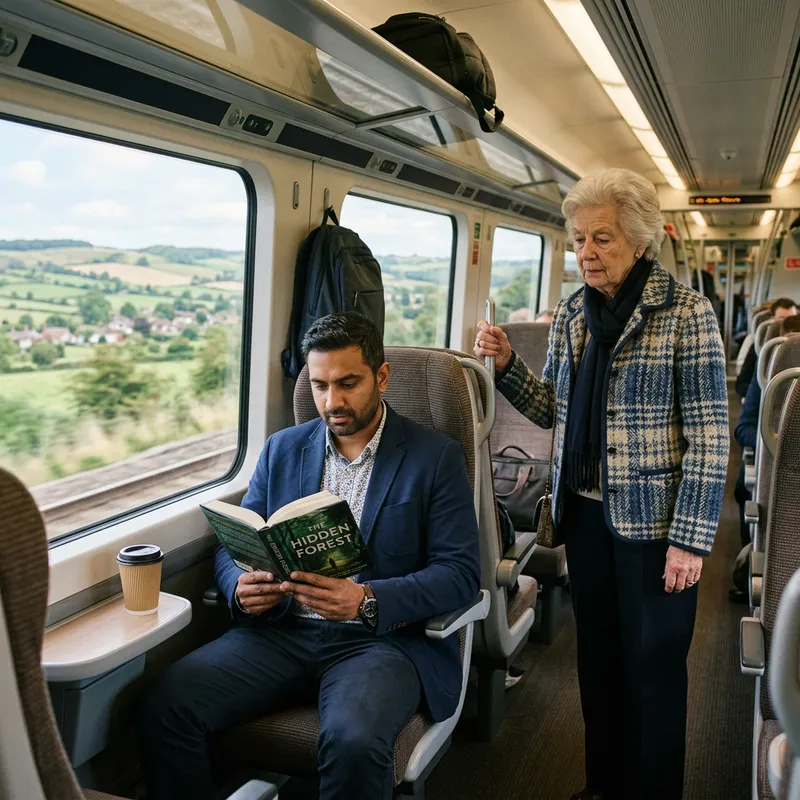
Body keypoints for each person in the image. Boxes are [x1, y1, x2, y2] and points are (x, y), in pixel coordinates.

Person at [138, 312, 480, 800]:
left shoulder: (434, 457)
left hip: (377, 642)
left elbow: (460, 575)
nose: (331, 401)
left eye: (348, 383)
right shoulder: (282, 449)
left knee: (354, 742)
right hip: (282, 633)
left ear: (381, 377)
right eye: (319, 385)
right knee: (166, 703)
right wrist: (239, 583)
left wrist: (365, 598)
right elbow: (234, 544)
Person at [474, 168, 728, 800]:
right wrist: (507, 367)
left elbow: (710, 437)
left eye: (603, 239)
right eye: (578, 239)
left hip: (656, 531)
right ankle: (604, 785)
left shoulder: (686, 314)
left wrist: (690, 542)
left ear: (640, 241)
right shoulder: (571, 315)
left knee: (654, 674)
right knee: (600, 669)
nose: (586, 252)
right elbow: (553, 408)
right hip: (586, 522)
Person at [735, 297, 797, 398]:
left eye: (792, 318)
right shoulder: (762, 346)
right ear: (772, 318)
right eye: (781, 318)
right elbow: (742, 385)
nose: (787, 323)